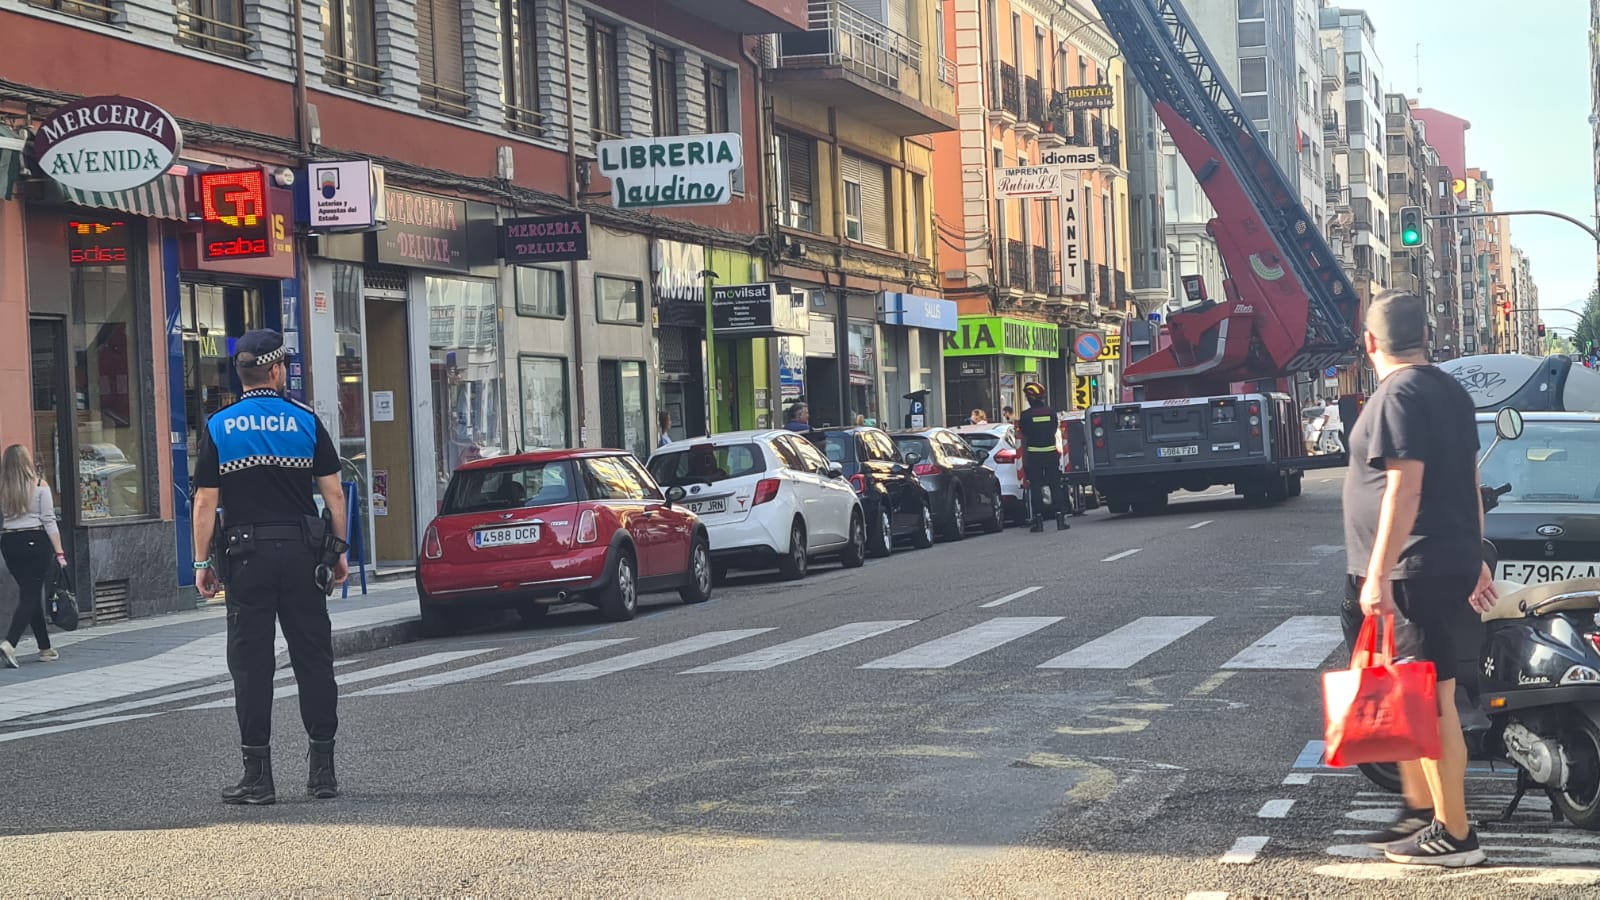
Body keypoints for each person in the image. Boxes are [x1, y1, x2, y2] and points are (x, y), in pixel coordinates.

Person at [1342, 290, 1495, 867]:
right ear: (1424, 337)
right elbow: (1469, 479)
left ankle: (1455, 834)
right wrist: (1476, 552)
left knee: (1429, 702)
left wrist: (1378, 572)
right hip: (1441, 561)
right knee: (1431, 699)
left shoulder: (1398, 393)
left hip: (1416, 569)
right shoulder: (1449, 389)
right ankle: (1430, 813)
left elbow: (1405, 488)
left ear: (1371, 342)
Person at [192, 329, 349, 806]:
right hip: (302, 556)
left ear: (241, 375)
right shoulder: (306, 420)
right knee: (313, 660)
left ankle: (258, 778)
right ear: (277, 370)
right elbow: (334, 494)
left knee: (251, 667)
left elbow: (204, 503)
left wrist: (202, 562)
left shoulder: (219, 425)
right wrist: (338, 551)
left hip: (246, 559)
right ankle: (322, 773)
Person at [0, 445, 66, 668]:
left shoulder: (3, 488)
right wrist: (59, 552)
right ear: (27, 461)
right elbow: (49, 520)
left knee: (30, 592)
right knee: (30, 593)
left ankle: (45, 648)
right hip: (36, 542)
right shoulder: (39, 486)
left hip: (10, 542)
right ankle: (10, 642)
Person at [1015, 383, 1069, 533]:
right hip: (1051, 454)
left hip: (1034, 456)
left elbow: (1024, 435)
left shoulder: (1026, 416)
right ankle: (1060, 520)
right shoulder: (1051, 412)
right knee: (1055, 486)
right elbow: (1053, 429)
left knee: (1036, 487)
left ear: (1029, 398)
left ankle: (1039, 522)